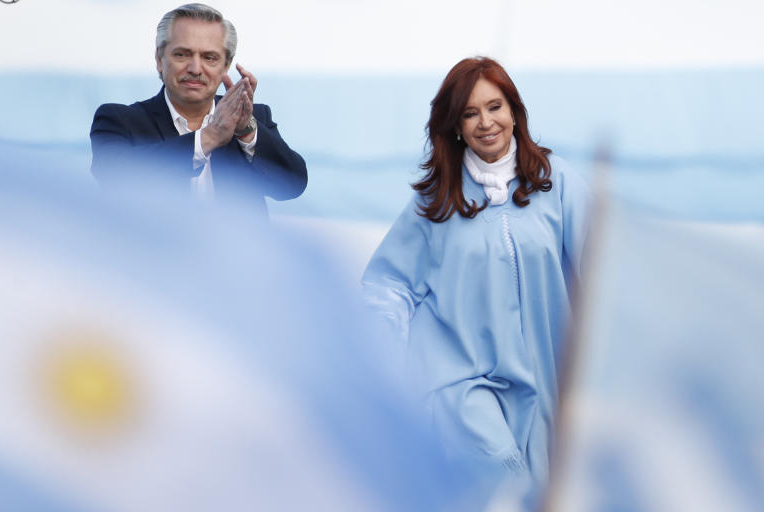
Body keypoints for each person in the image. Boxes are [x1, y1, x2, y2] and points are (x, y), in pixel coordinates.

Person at [362, 57, 589, 485]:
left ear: (514, 112)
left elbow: (602, 266)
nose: (485, 122)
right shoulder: (436, 202)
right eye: (470, 113)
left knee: (543, 511)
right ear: (456, 126)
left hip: (546, 383)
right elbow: (388, 281)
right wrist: (385, 348)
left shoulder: (556, 182)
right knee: (506, 490)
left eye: (494, 106)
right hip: (461, 385)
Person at [89, 3, 306, 205]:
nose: (195, 68)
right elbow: (114, 178)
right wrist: (208, 138)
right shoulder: (119, 119)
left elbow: (292, 186)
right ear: (159, 59)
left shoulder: (253, 119)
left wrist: (246, 130)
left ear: (226, 65)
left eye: (209, 58)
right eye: (182, 54)